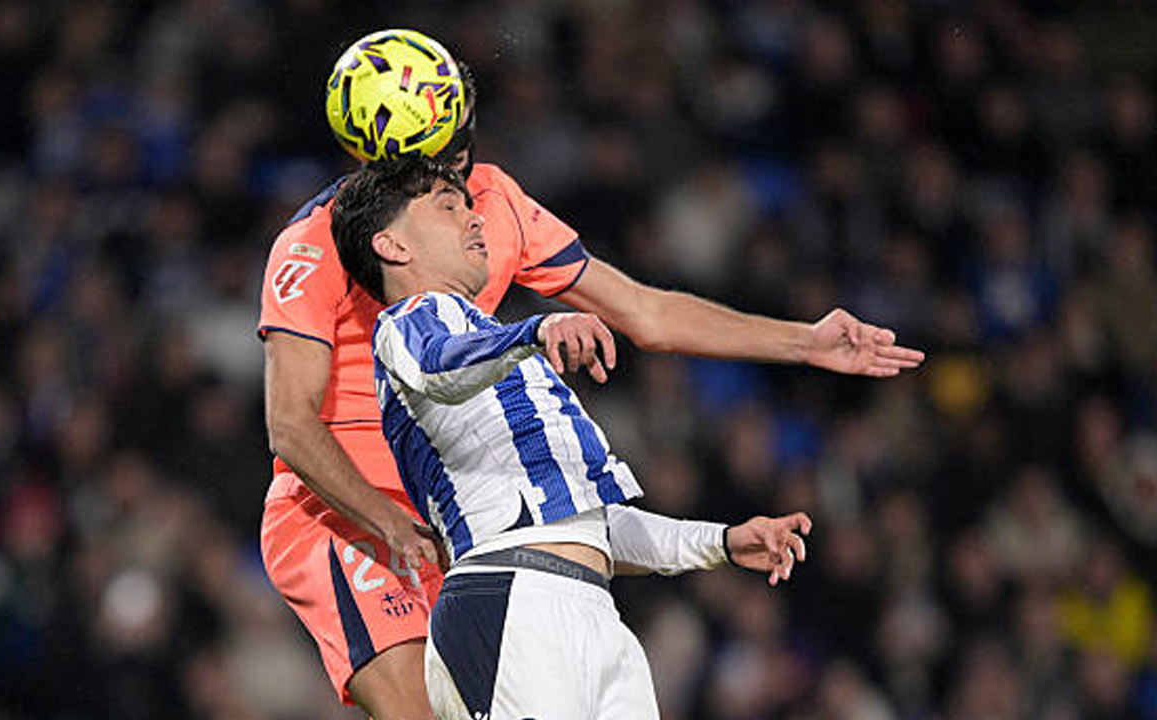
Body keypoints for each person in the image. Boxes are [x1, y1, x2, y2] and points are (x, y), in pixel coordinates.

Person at [258, 29, 924, 720]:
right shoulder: (315, 244)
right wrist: (389, 520)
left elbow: (646, 313)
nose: (458, 166)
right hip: (344, 516)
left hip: (461, 510)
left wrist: (804, 341)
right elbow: (292, 424)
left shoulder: (490, 207)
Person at [329, 154, 815, 720]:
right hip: (510, 602)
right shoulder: (407, 327)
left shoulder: (504, 352)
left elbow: (592, 526)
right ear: (393, 246)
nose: (475, 219)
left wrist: (722, 541)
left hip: (594, 613)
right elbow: (441, 364)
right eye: (448, 207)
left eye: (469, 205)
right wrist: (536, 327)